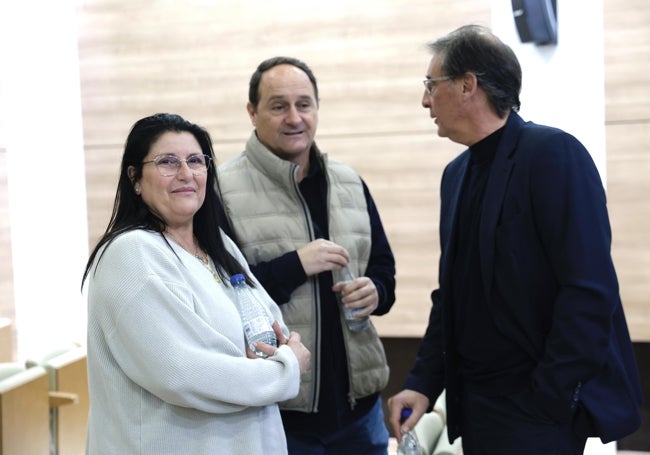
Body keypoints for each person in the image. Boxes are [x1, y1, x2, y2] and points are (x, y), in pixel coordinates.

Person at [387, 24, 643, 455]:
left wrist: (549, 395)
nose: (425, 99)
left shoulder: (554, 155)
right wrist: (422, 384)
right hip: (477, 405)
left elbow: (589, 291)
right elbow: (450, 295)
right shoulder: (456, 176)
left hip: (537, 410)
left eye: (432, 85)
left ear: (468, 85)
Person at [81, 113, 311, 455]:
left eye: (195, 161)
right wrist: (284, 369)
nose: (186, 174)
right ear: (135, 178)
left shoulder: (219, 246)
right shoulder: (130, 254)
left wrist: (278, 350)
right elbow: (183, 374)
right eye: (167, 162)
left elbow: (267, 327)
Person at [217, 56, 396, 454]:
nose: (294, 117)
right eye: (278, 106)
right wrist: (297, 264)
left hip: (360, 413)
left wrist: (377, 292)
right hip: (278, 414)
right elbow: (221, 299)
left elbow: (384, 268)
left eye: (305, 104)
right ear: (252, 112)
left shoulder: (350, 182)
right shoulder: (220, 191)